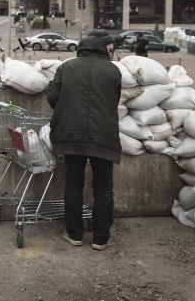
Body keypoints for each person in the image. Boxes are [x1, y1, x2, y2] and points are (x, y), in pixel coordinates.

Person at [45, 34, 121, 251]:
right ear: (101, 49)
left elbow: (52, 98)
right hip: (104, 137)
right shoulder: (113, 70)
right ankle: (100, 238)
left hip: (71, 136)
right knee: (104, 187)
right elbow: (114, 100)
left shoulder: (66, 67)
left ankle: (75, 234)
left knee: (74, 184)